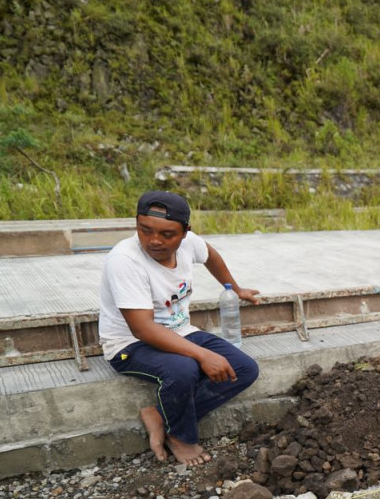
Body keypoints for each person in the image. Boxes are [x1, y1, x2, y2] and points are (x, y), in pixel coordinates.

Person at [98, 190, 261, 466]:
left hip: (179, 330)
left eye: (167, 234)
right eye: (144, 230)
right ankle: (181, 436)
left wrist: (234, 287)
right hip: (128, 345)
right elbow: (143, 330)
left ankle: (160, 415)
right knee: (184, 369)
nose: (154, 241)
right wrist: (201, 355)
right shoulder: (124, 261)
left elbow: (210, 255)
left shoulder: (189, 244)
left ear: (185, 232)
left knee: (244, 368)